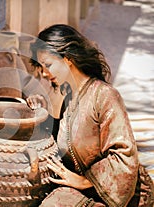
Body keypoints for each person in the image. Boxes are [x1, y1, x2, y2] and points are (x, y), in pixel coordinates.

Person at [26, 24, 154, 207]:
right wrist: (40, 114)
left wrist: (84, 181)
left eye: (47, 65)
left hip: (121, 196)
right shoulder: (70, 98)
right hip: (86, 190)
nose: (44, 74)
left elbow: (125, 157)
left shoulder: (105, 95)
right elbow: (68, 142)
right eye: (41, 67)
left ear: (67, 59)